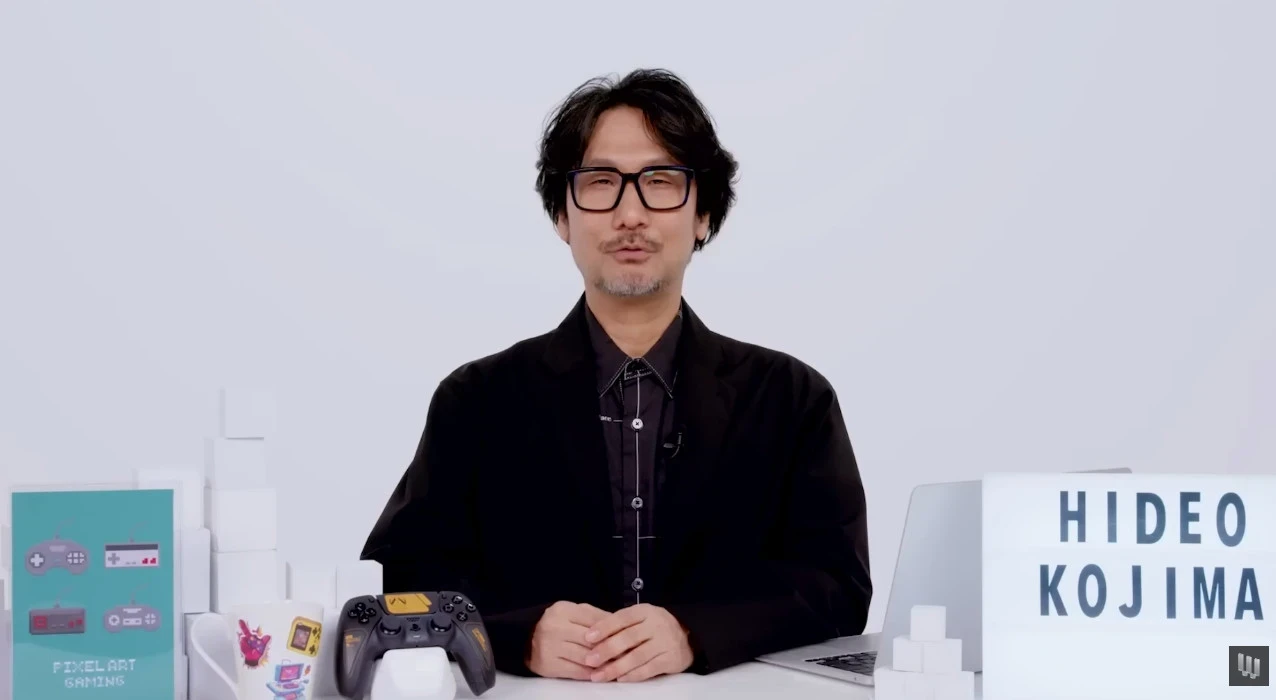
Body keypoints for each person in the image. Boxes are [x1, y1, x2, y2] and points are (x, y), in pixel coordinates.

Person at [361, 68, 871, 684]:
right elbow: (403, 579)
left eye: (660, 182)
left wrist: (693, 632)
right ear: (562, 215)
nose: (631, 213)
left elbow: (838, 586)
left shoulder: (791, 399)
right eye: (601, 183)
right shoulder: (475, 401)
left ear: (703, 213)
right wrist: (519, 634)